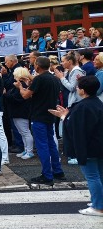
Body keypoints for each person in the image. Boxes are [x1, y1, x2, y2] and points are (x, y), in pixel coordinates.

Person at [49, 76, 103, 216]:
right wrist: (67, 115)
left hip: (88, 147)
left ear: (83, 91)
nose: (77, 89)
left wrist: (63, 117)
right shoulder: (98, 103)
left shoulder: (83, 106)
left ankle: (98, 206)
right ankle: (99, 202)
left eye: (78, 87)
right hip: (99, 145)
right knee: (100, 175)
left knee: (92, 176)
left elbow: (76, 128)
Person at [16, 56, 64, 185]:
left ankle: (47, 175)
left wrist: (20, 87)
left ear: (37, 66)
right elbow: (41, 87)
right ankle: (58, 171)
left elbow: (26, 95)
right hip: (50, 115)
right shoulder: (54, 78)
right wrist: (30, 80)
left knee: (42, 146)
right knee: (51, 144)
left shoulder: (39, 79)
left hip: (39, 116)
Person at [5, 67, 34, 159]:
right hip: (17, 112)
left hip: (21, 112)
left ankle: (29, 151)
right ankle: (26, 149)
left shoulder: (22, 85)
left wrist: (6, 94)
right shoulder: (19, 85)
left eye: (14, 73)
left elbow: (17, 98)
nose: (13, 75)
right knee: (22, 132)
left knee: (25, 131)